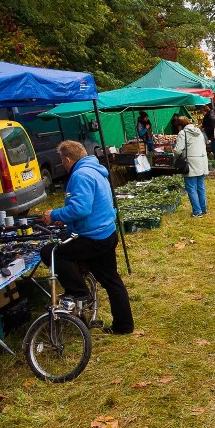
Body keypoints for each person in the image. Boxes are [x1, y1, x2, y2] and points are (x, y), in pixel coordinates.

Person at [41, 141, 134, 335]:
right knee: (112, 281)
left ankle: (78, 292)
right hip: (105, 232)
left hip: (93, 238)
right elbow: (89, 208)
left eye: (62, 161)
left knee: (51, 252)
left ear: (67, 159)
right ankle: (124, 326)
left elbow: (81, 208)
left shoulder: (81, 174)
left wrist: (55, 215)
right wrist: (68, 221)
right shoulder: (95, 170)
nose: (63, 164)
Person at [173, 116, 209, 217]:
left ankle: (197, 212)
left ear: (180, 125)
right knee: (200, 187)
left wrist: (174, 153)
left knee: (191, 188)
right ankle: (203, 208)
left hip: (191, 162)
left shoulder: (183, 133)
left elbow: (178, 150)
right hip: (202, 161)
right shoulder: (198, 131)